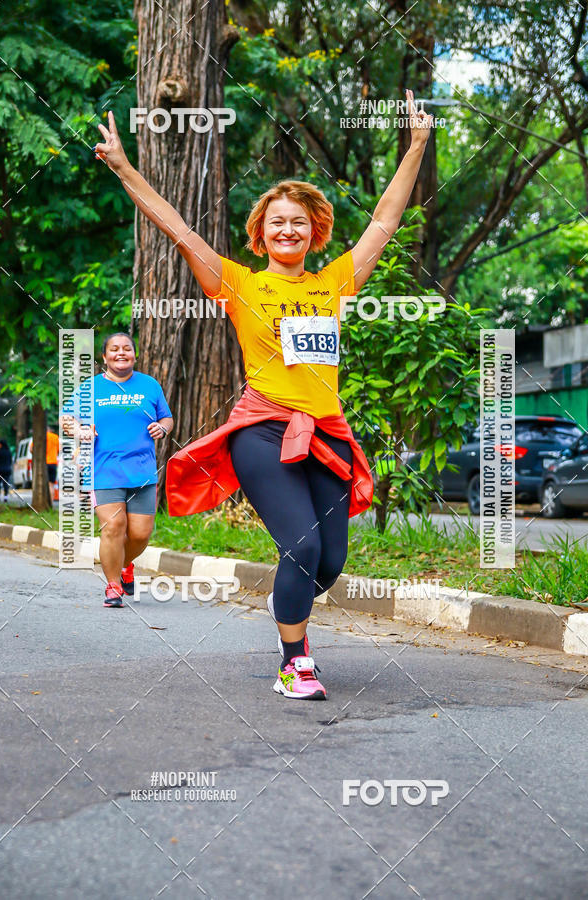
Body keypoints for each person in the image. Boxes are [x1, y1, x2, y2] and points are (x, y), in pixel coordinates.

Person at [94, 89, 432, 695]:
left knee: (329, 561)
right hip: (263, 429)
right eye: (277, 220)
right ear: (261, 232)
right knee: (301, 546)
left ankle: (292, 612)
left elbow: (384, 222)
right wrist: (124, 168)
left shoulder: (335, 282)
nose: (288, 228)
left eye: (299, 221)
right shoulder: (239, 283)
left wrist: (415, 148)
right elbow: (174, 226)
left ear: (314, 231)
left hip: (326, 430)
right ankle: (293, 661)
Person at [61, 333, 173, 608]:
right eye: (114, 349)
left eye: (126, 348)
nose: (120, 353)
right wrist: (80, 430)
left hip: (142, 471)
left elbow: (166, 417)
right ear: (105, 357)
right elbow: (66, 418)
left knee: (140, 534)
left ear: (135, 354)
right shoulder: (90, 388)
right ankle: (113, 586)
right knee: (114, 527)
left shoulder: (149, 385)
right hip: (104, 470)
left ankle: (124, 565)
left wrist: (163, 428)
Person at [46, 426, 60, 502]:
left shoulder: (40, 437)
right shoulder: (55, 437)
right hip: (53, 463)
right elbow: (59, 449)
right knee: (51, 485)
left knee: (43, 485)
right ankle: (50, 503)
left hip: (43, 464)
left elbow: (31, 449)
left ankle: (43, 502)